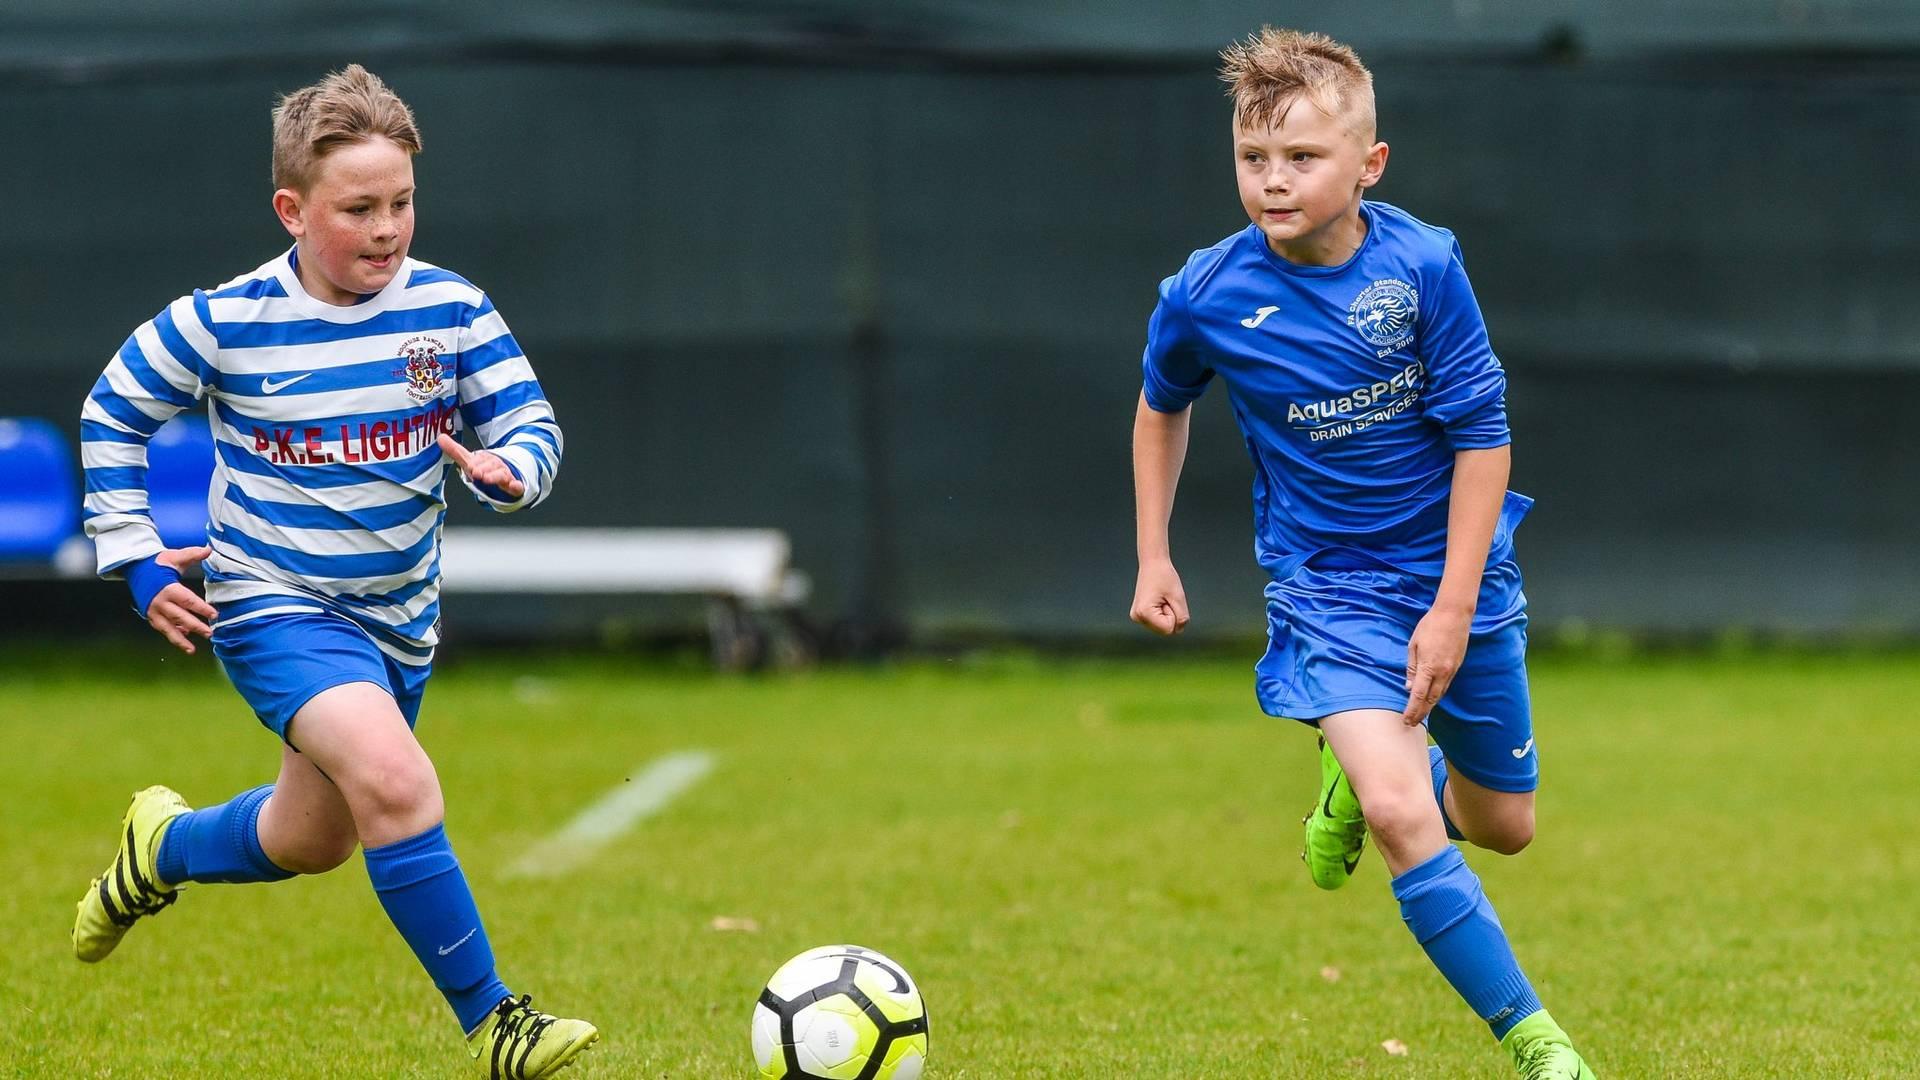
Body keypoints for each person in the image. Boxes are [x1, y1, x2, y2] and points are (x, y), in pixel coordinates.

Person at [72, 64, 595, 1080]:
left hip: (397, 620)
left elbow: (530, 422)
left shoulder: (449, 308)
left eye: (401, 202)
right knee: (398, 783)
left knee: (314, 840)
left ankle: (158, 850)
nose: (388, 227)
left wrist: (510, 469)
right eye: (359, 208)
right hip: (273, 605)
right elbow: (114, 410)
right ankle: (500, 1027)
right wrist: (133, 555)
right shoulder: (225, 321)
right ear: (292, 210)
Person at [1128, 27, 1596, 1079]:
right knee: (1399, 811)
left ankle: (1363, 780)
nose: (1274, 181)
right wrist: (1153, 553)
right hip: (1327, 589)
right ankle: (1539, 1045)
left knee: (1504, 825)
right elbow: (1161, 410)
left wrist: (1450, 609)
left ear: (1367, 166)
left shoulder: (1424, 265)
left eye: (1302, 158)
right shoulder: (1204, 293)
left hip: (1457, 578)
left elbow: (1483, 437)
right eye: (1254, 159)